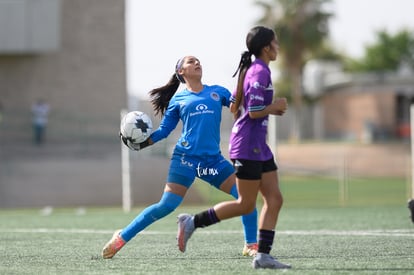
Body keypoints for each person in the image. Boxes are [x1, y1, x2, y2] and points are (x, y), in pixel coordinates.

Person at [102, 55, 258, 259]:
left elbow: (237, 106)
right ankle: (121, 237)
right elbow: (164, 131)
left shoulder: (218, 92)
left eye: (198, 60)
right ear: (181, 72)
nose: (197, 63)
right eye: (191, 61)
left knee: (246, 198)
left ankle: (251, 245)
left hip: (212, 161)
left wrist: (244, 77)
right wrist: (143, 143)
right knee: (166, 205)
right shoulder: (178, 100)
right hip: (185, 158)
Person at [176, 26, 291, 269]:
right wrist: (275, 107)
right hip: (248, 146)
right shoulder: (259, 72)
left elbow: (237, 104)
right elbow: (254, 111)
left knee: (274, 198)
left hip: (258, 145)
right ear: (266, 48)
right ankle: (192, 223)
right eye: (275, 42)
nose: (278, 46)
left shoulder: (257, 70)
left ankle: (263, 255)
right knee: (245, 204)